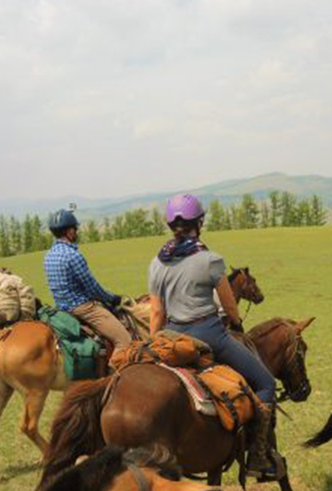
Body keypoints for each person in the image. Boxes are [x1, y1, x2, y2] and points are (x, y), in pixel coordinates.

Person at [147, 194, 279, 479]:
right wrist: (236, 322)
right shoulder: (211, 259)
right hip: (209, 334)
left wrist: (152, 343)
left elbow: (156, 314)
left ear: (171, 225)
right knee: (266, 382)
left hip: (171, 335)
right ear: (200, 223)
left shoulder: (157, 264)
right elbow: (230, 306)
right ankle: (257, 455)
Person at [43, 209, 131, 348]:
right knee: (125, 341)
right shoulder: (72, 255)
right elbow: (92, 288)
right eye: (75, 229)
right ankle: (116, 369)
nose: (76, 232)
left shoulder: (48, 256)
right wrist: (113, 298)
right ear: (69, 231)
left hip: (60, 308)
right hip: (82, 309)